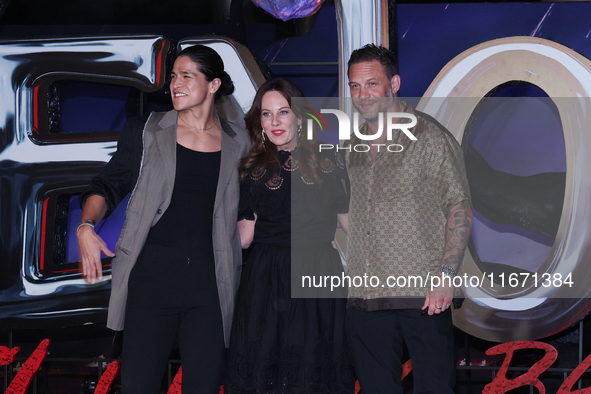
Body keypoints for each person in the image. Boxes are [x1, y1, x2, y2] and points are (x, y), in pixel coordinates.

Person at [77, 45, 250, 393]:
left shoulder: (239, 142)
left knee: (203, 385)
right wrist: (86, 226)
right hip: (152, 279)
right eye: (173, 76)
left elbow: (250, 207)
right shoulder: (147, 130)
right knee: (139, 385)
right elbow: (109, 184)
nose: (175, 83)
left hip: (211, 285)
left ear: (213, 84)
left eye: (187, 76)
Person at [343, 44, 473, 393]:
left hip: (423, 295)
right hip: (365, 297)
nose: (362, 94)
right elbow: (352, 215)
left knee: (433, 388)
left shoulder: (430, 137)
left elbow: (459, 207)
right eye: (355, 86)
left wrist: (446, 276)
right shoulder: (351, 146)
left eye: (372, 83)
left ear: (394, 83)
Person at [224, 78, 354, 394]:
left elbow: (350, 223)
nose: (276, 122)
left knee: (314, 368)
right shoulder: (250, 167)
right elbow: (244, 237)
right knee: (266, 368)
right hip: (267, 277)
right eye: (266, 114)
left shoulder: (331, 159)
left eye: (284, 112)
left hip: (318, 271)